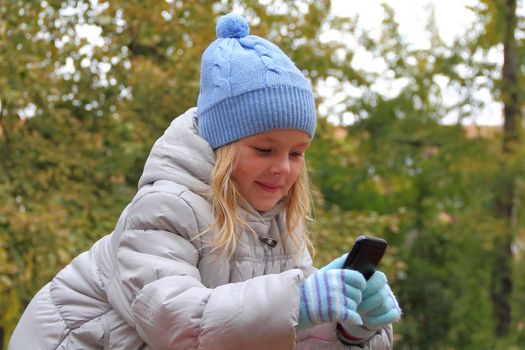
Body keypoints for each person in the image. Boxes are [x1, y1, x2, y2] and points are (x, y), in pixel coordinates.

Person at [9, 13, 401, 350]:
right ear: (222, 147)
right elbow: (176, 321)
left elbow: (266, 331)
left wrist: (350, 327)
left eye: (296, 153)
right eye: (264, 150)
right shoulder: (165, 207)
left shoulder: (277, 226)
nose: (284, 167)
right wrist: (297, 301)